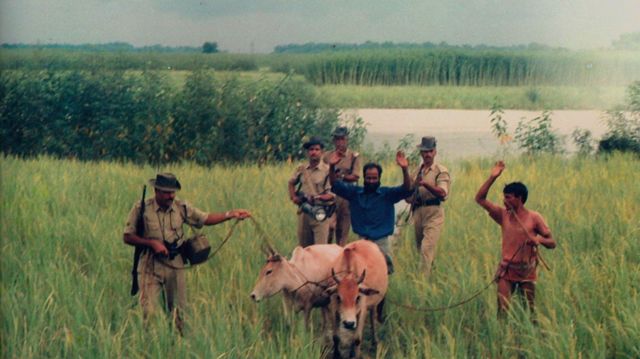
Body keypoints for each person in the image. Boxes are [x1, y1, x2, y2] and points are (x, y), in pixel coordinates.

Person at [123, 172, 251, 333]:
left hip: (175, 265)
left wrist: (229, 215)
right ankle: (151, 346)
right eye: (166, 192)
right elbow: (127, 236)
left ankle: (177, 346)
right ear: (156, 191)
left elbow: (204, 219)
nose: (171, 196)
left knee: (178, 314)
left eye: (173, 192)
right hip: (149, 265)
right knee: (149, 313)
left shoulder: (181, 207)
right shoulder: (141, 209)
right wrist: (151, 243)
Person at [475, 161, 556, 318]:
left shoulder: (534, 218)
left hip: (527, 271)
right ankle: (502, 337)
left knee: (529, 312)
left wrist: (538, 240)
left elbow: (552, 243)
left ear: (519, 198)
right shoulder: (503, 215)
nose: (504, 201)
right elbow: (480, 199)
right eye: (504, 197)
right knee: (503, 312)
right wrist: (493, 177)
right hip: (506, 270)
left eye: (508, 198)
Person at [328, 150, 412, 275]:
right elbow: (335, 184)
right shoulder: (355, 193)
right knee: (359, 274)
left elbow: (406, 189)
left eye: (374, 178)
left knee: (383, 274)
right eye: (368, 178)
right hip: (362, 242)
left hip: (381, 242)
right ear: (364, 178)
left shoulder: (387, 194)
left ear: (379, 178)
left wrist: (405, 169)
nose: (371, 181)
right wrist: (332, 166)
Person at [406, 136, 450, 279]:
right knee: (421, 249)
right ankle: (434, 276)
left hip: (434, 213)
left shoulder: (440, 171)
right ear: (421, 153)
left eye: (430, 151)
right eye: (425, 151)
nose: (427, 154)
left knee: (427, 248)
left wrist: (425, 184)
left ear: (435, 152)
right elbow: (409, 196)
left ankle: (421, 284)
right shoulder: (416, 171)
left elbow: (443, 193)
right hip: (418, 212)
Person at [288, 136, 336, 247]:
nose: (313, 152)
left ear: (322, 152)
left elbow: (331, 195)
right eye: (311, 149)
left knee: (320, 250)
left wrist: (316, 198)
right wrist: (293, 197)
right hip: (304, 212)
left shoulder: (328, 170)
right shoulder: (302, 169)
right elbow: (291, 182)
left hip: (320, 213)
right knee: (304, 249)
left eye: (316, 149)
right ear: (307, 152)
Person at [322, 126, 361, 246]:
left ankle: (340, 255)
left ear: (347, 140)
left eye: (342, 139)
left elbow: (355, 176)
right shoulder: (327, 156)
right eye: (336, 139)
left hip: (345, 195)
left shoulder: (354, 156)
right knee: (328, 226)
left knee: (342, 230)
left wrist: (341, 177)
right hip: (330, 194)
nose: (339, 142)